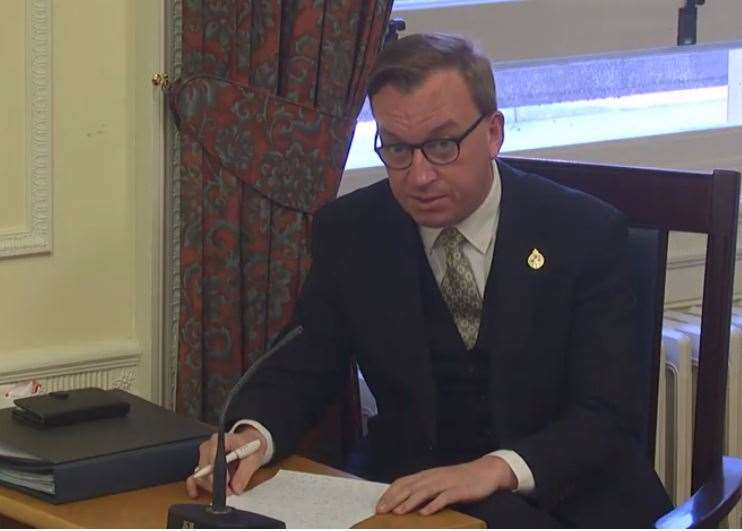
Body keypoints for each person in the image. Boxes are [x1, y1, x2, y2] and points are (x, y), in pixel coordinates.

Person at [187, 33, 672, 527]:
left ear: (493, 133)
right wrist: (251, 432)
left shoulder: (583, 232)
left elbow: (605, 413)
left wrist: (497, 469)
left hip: (569, 496)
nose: (418, 176)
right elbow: (306, 360)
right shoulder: (352, 232)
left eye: (442, 145)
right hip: (415, 497)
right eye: (397, 148)